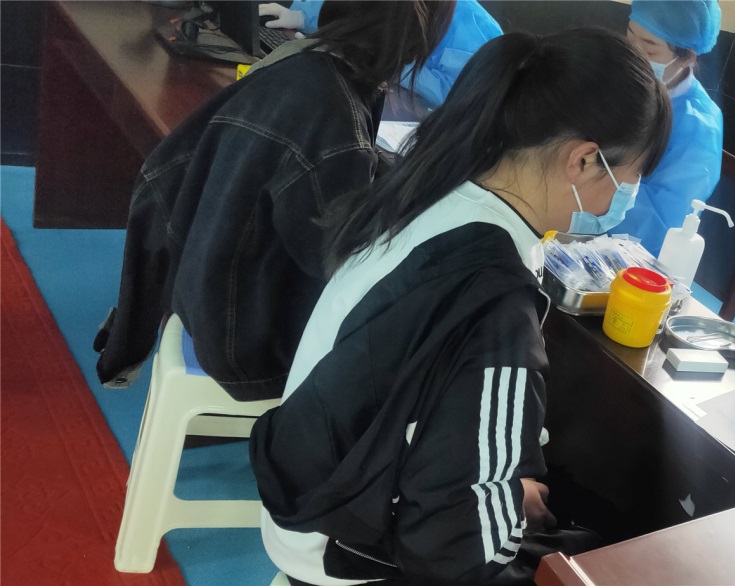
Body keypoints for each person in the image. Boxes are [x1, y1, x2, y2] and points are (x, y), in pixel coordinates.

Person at [249, 28, 671, 585]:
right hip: (339, 543)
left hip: (312, 491)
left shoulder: (439, 190)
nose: (624, 199)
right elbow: (458, 554)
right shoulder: (496, 303)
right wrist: (504, 503)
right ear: (584, 160)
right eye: (629, 179)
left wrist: (501, 484)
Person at [94, 1, 455, 400]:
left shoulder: (303, 63)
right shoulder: (336, 123)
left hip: (208, 291)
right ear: (419, 36)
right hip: (246, 345)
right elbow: (338, 272)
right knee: (430, 347)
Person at [613, 0, 724, 256]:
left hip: (626, 254)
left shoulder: (698, 128)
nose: (634, 55)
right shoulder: (620, 80)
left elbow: (660, 224)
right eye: (630, 37)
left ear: (686, 57)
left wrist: (592, 184)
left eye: (650, 50)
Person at [261, 0, 501, 109]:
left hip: (408, 116)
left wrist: (380, 56)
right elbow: (359, 11)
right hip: (365, 85)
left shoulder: (477, 31)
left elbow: (458, 94)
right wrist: (304, 16)